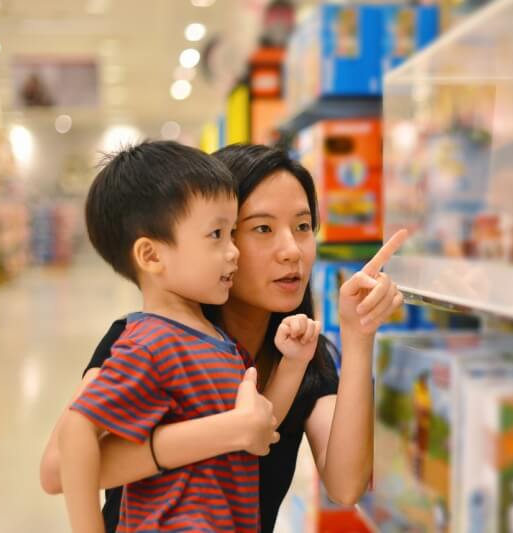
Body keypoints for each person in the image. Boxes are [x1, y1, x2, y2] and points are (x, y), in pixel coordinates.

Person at [41, 143, 406, 532]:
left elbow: (346, 485)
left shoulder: (300, 355)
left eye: (302, 226)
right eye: (260, 229)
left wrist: (359, 334)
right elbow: (56, 468)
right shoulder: (146, 337)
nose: (291, 250)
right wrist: (223, 433)